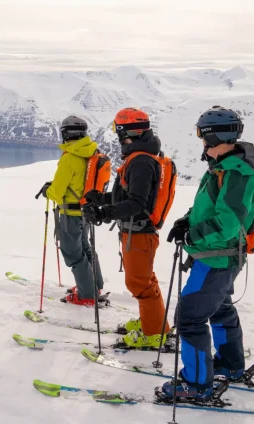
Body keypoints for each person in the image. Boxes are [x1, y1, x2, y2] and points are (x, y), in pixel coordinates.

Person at [160, 106, 254, 400]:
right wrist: (187, 220)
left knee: (189, 318)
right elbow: (207, 208)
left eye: (202, 135)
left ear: (215, 136)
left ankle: (197, 385)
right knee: (221, 309)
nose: (201, 141)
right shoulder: (223, 169)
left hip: (215, 258)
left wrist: (192, 234)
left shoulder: (237, 175)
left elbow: (227, 224)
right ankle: (230, 366)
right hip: (219, 256)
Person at [82, 108, 170, 349]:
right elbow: (129, 195)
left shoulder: (141, 161)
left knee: (139, 284)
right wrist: (100, 199)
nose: (116, 136)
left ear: (125, 132)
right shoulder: (141, 157)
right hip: (138, 232)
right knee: (145, 281)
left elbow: (136, 203)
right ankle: (155, 324)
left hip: (139, 233)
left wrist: (103, 213)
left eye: (116, 130)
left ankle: (153, 335)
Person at [37, 116, 103, 306]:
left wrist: (47, 191)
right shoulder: (91, 152)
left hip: (71, 214)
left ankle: (88, 295)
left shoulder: (69, 158)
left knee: (73, 253)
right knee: (85, 249)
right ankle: (94, 285)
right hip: (86, 212)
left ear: (66, 134)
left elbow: (57, 192)